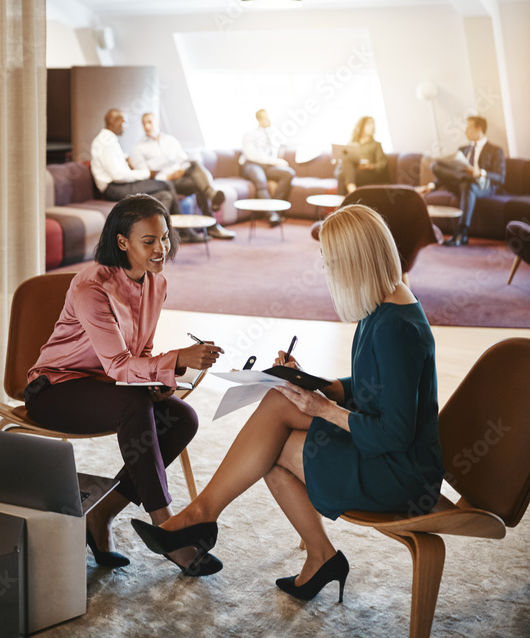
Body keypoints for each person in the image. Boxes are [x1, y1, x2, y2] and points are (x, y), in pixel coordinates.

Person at [132, 204, 444, 603]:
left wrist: (323, 409)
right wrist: (319, 386)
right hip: (386, 450)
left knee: (272, 446)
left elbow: (395, 433)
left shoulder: (395, 328)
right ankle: (295, 548)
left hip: (402, 474)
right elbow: (377, 383)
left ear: (355, 261)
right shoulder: (385, 304)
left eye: (331, 262)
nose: (328, 271)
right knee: (279, 402)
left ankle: (206, 519)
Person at [25, 194, 225, 575]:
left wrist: (160, 381)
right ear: (122, 242)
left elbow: (140, 350)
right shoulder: (92, 288)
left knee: (182, 417)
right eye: (148, 241)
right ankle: (166, 528)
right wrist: (177, 360)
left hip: (108, 388)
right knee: (133, 404)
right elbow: (119, 366)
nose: (161, 248)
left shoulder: (156, 284)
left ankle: (99, 517)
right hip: (55, 389)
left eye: (164, 238)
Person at [129, 112, 235, 240]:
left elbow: (182, 159)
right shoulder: (138, 147)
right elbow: (144, 174)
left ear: (158, 123)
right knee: (198, 185)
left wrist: (183, 168)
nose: (147, 126)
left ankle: (212, 197)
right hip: (165, 181)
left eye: (150, 122)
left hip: (181, 175)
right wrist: (169, 176)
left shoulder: (171, 140)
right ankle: (212, 223)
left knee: (196, 166)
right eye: (144, 123)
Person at [424, 115, 505, 247]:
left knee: (469, 185)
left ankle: (462, 232)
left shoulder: (495, 150)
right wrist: (433, 185)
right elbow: (449, 171)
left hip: (482, 185)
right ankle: (465, 178)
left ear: (479, 129)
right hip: (461, 181)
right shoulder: (463, 149)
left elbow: (500, 177)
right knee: (436, 166)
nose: (466, 131)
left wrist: (480, 173)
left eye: (469, 128)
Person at [90, 108, 177, 213]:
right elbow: (118, 176)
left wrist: (126, 158)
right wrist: (147, 174)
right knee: (165, 184)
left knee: (165, 195)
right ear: (114, 122)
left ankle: (170, 228)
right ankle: (179, 227)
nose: (126, 127)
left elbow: (113, 160)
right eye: (124, 122)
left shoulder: (108, 139)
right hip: (114, 189)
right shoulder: (106, 142)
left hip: (119, 186)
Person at [239, 108, 295, 226]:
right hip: (252, 165)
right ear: (259, 119)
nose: (270, 120)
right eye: (267, 117)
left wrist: (274, 161)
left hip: (267, 166)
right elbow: (251, 155)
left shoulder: (271, 134)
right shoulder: (250, 134)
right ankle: (271, 215)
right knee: (261, 181)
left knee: (288, 173)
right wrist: (274, 161)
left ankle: (276, 210)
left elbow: (271, 153)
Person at [337, 116, 388, 195]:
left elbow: (382, 164)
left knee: (342, 175)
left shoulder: (376, 145)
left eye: (373, 124)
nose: (372, 126)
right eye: (369, 123)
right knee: (344, 169)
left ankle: (348, 199)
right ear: (361, 126)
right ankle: (352, 192)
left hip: (368, 173)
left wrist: (370, 166)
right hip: (354, 172)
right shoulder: (352, 144)